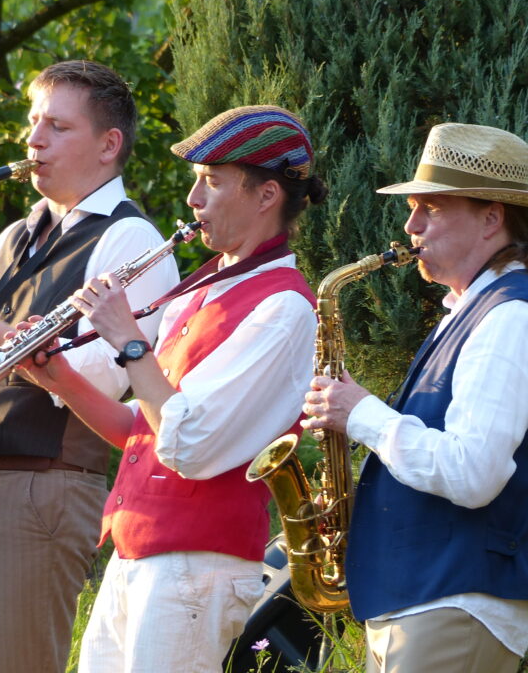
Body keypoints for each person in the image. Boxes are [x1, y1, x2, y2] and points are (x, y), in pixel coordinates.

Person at [17, 105, 329, 673]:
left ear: (266, 197)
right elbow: (140, 431)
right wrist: (54, 375)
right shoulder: (200, 292)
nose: (193, 200)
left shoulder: (283, 309)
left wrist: (130, 342)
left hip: (196, 565)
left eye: (211, 181)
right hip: (140, 551)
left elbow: (189, 445)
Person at [0, 60, 180, 673]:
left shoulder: (133, 241)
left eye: (56, 126)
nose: (33, 141)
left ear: (109, 145)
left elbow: (106, 377)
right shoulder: (15, 239)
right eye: (32, 123)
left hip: (43, 486)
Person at [301, 123, 528, 673]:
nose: (410, 226)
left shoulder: (513, 319)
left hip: (455, 604)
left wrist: (362, 415)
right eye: (412, 209)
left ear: (491, 218)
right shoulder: (478, 308)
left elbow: (472, 474)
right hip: (429, 601)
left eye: (430, 208)